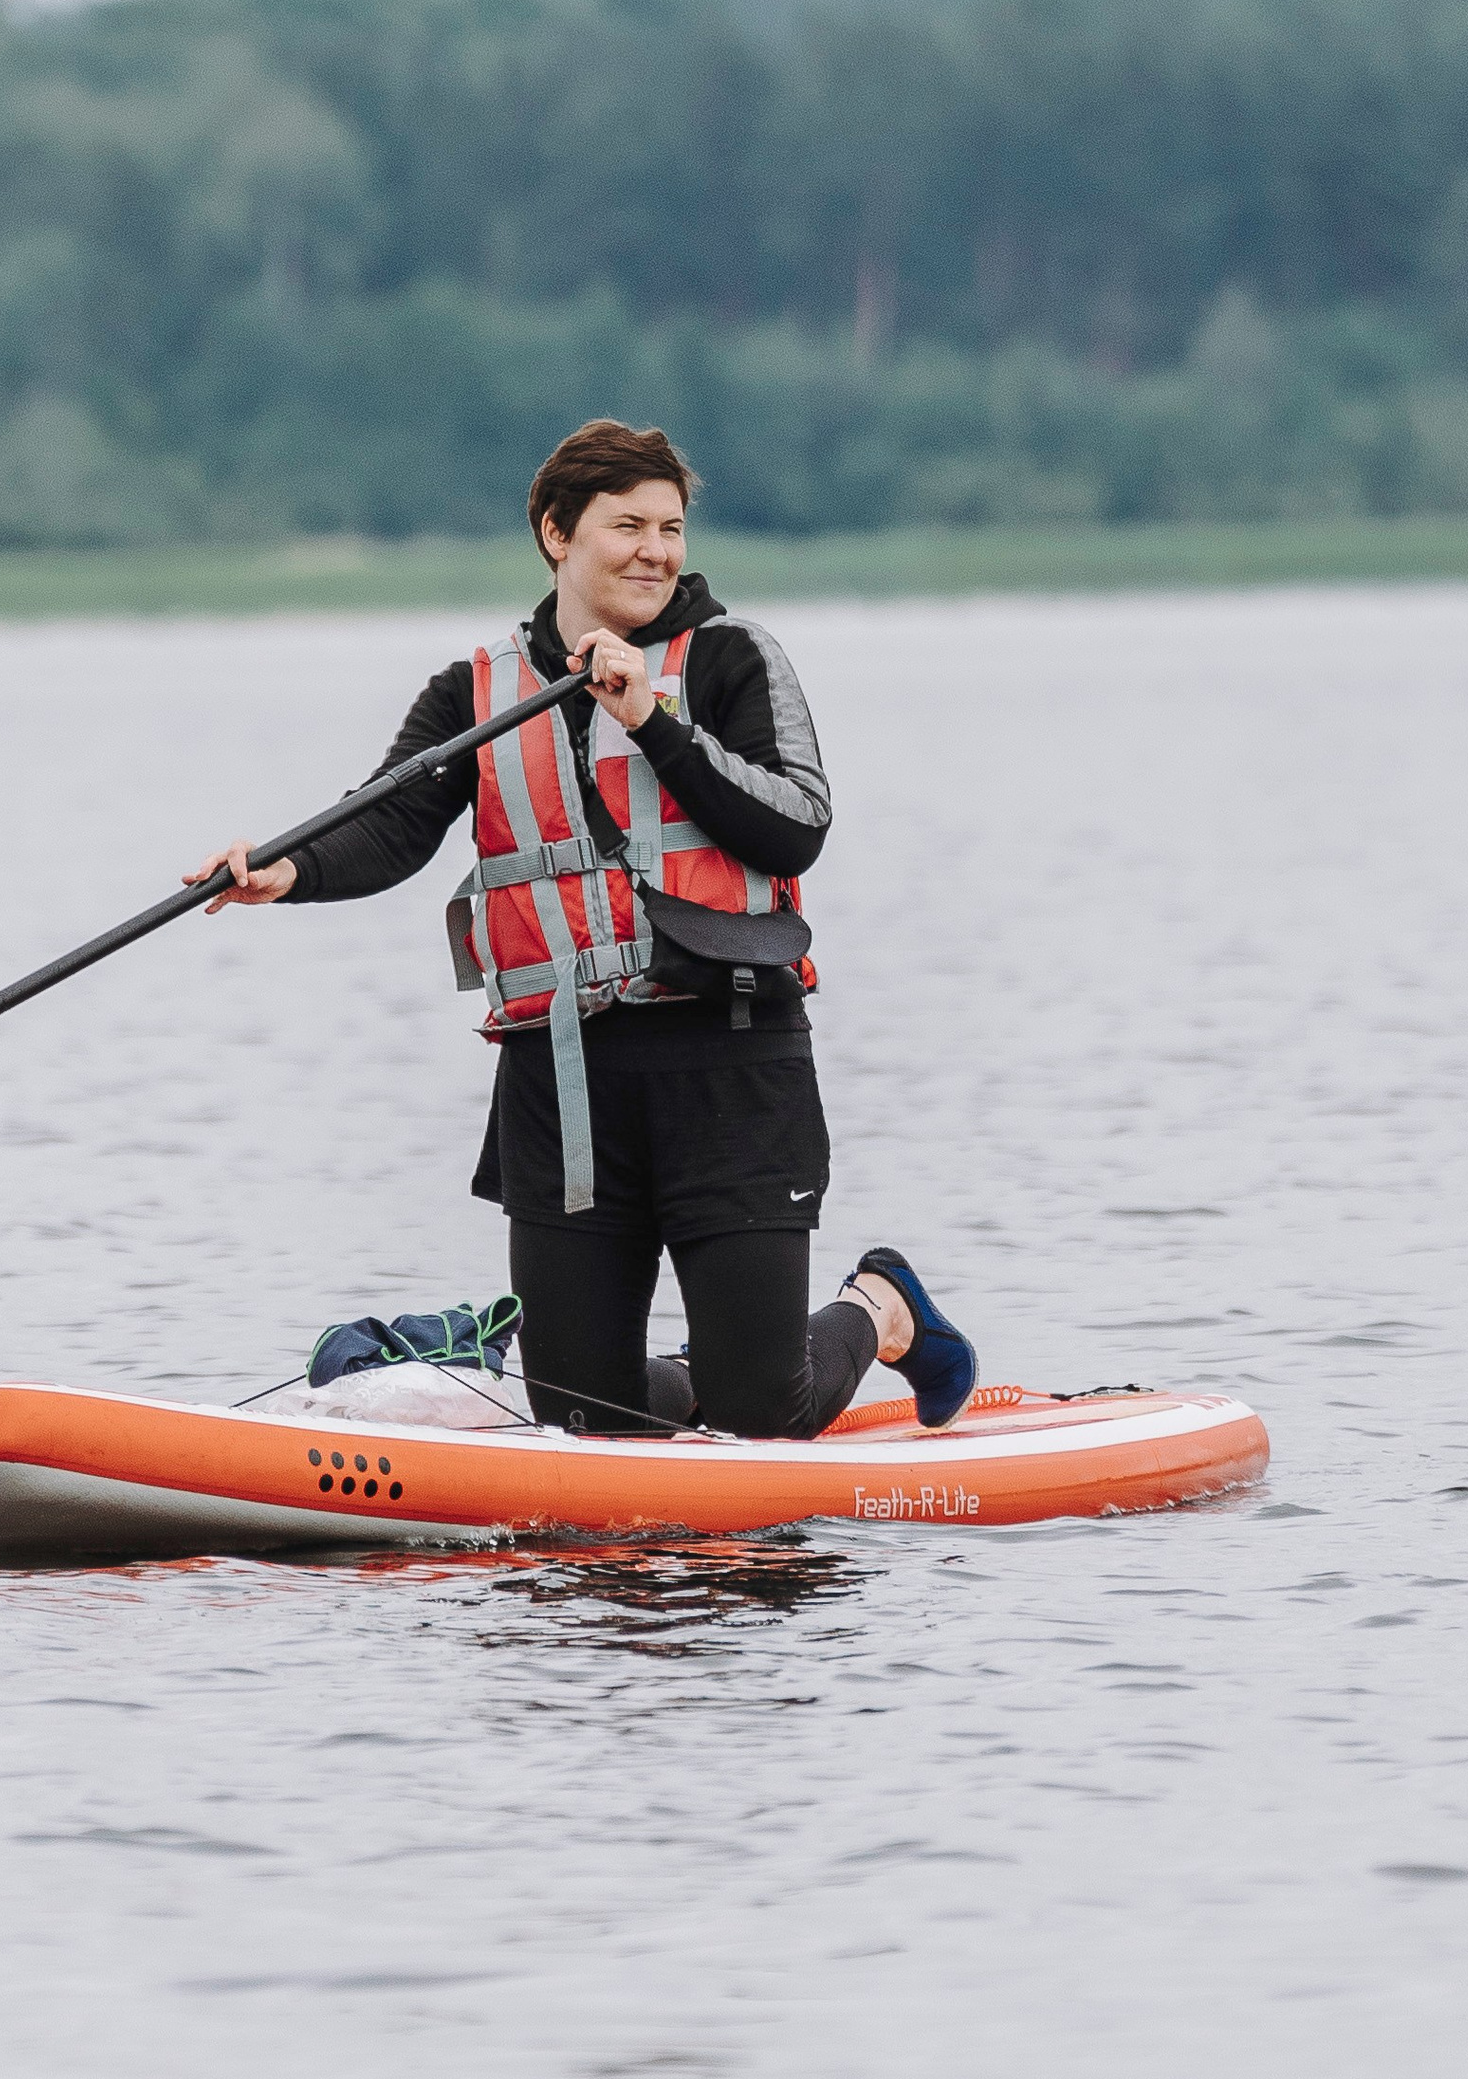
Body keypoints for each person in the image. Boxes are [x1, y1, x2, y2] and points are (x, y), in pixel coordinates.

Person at [186, 418, 977, 1440]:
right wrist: (285, 870)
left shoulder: (732, 659)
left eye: (672, 526)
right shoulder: (472, 691)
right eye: (628, 525)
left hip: (730, 1062)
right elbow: (388, 820)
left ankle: (881, 1305)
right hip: (559, 1079)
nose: (657, 548)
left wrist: (653, 717)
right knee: (581, 1422)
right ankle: (657, 1364)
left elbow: (793, 831)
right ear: (557, 533)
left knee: (758, 1411)